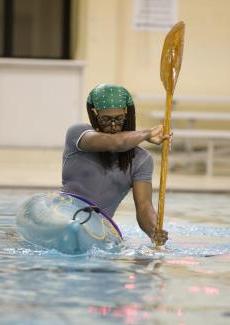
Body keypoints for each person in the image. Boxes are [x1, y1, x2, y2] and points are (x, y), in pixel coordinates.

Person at [62, 84, 170, 246]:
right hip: (62, 214)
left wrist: (154, 230)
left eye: (119, 119)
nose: (113, 125)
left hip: (98, 226)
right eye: (106, 119)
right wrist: (147, 133)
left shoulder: (141, 160)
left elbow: (144, 207)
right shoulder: (78, 135)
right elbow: (115, 143)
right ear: (94, 114)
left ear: (127, 115)